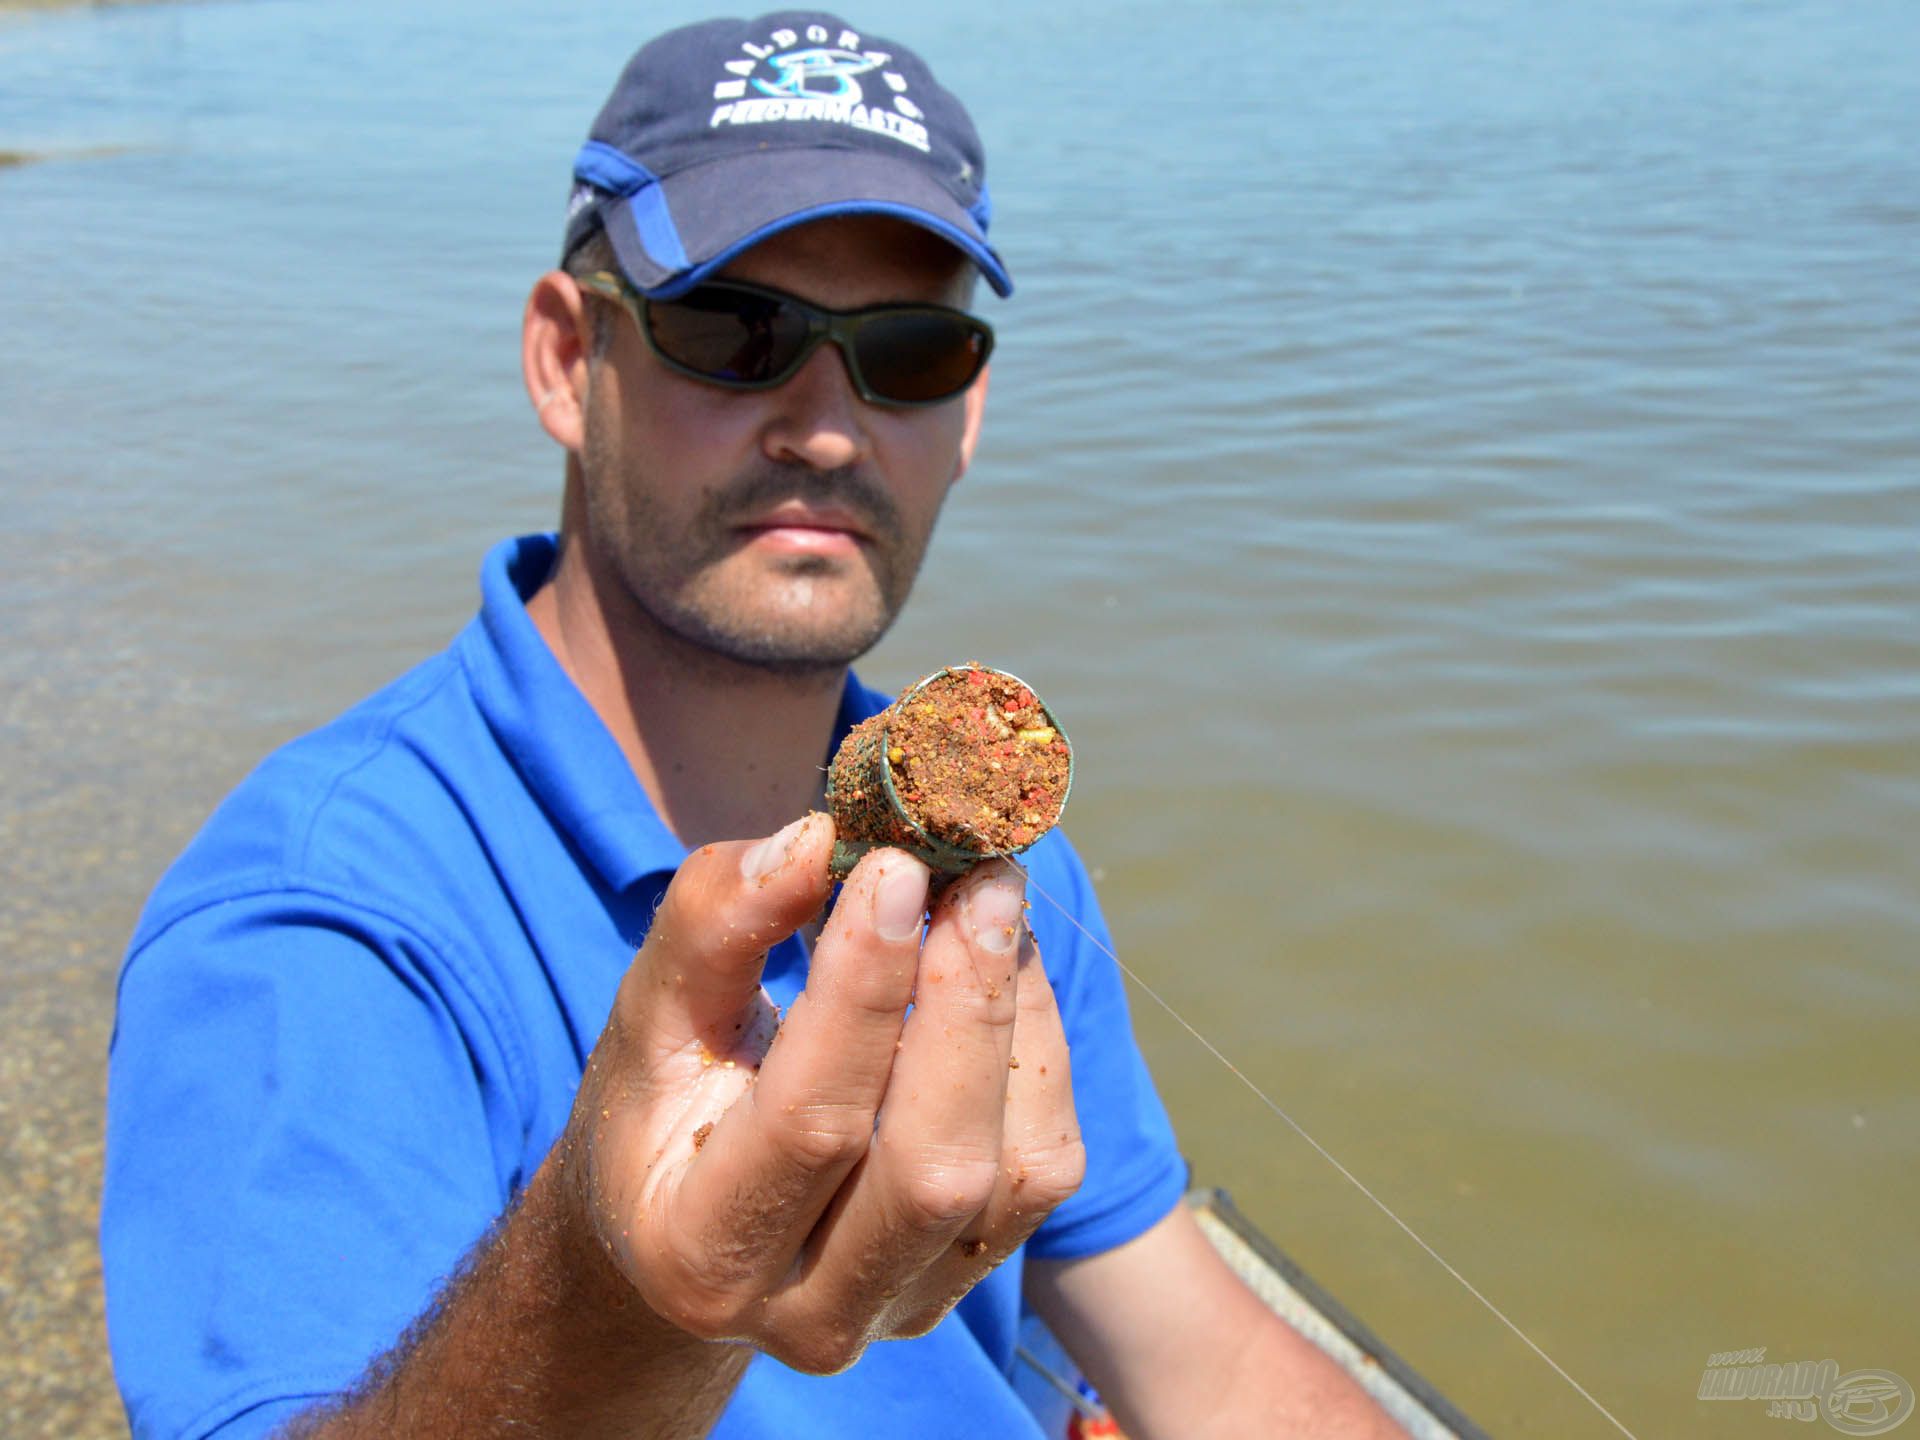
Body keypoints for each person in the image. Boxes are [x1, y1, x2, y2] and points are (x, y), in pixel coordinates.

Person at [101, 13, 1404, 1439]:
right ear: (561, 357)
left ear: (967, 412)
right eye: (737, 330)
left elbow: (1194, 1354)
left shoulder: (1003, 879)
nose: (828, 427)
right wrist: (622, 1289)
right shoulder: (325, 915)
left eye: (907, 351)